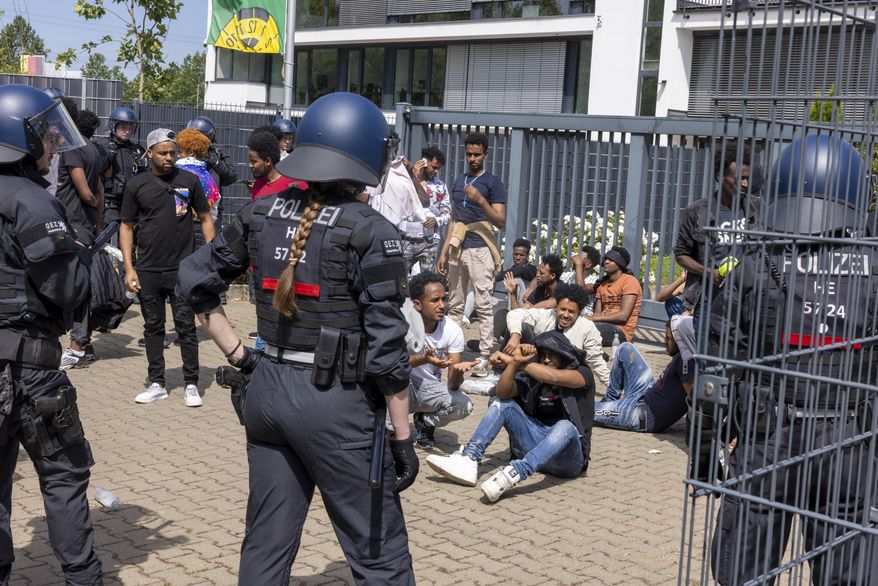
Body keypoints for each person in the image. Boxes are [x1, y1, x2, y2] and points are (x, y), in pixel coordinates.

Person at [177, 92, 418, 584]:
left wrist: (241, 355)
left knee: (265, 544)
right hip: (338, 404)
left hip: (266, 393)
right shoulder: (372, 231)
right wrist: (403, 436)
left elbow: (194, 280)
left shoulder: (259, 214)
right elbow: (389, 353)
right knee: (379, 553)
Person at [702, 135, 878, 585]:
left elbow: (719, 350)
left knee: (743, 563)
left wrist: (726, 427)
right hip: (848, 438)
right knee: (847, 559)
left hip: (768, 432)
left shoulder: (756, 261)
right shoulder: (871, 269)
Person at [0, 84, 103, 584]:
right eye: (47, 136)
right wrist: (84, 255)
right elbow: (66, 287)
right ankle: (82, 577)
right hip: (30, 372)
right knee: (64, 475)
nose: (55, 145)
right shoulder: (31, 202)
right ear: (21, 139)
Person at [426, 330, 594, 503]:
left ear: (564, 355)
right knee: (502, 403)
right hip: (535, 447)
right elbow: (502, 392)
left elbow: (554, 377)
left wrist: (515, 362)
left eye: (553, 355)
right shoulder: (533, 376)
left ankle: (512, 475)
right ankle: (469, 459)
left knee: (565, 426)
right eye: (543, 355)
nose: (546, 359)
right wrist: (514, 363)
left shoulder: (582, 372)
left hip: (567, 461)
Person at [120, 129, 215, 408]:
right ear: (150, 153)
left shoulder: (189, 181)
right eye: (163, 153)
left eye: (172, 152)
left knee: (186, 328)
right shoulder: (136, 185)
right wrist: (129, 268)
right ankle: (158, 383)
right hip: (148, 269)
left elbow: (206, 219)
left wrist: (210, 257)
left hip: (182, 269)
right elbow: (126, 226)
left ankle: (191, 384)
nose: (169, 158)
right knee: (153, 328)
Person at [437, 132, 507, 377]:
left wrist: (480, 200)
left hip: (480, 248)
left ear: (485, 154)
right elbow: (454, 220)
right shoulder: (459, 180)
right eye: (469, 154)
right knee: (454, 304)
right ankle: (453, 350)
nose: (472, 158)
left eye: (477, 154)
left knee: (483, 304)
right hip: (458, 247)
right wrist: (444, 253)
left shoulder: (492, 183)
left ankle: (486, 356)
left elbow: (500, 220)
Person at [674, 140, 760, 318]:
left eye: (747, 178)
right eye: (740, 178)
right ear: (719, 177)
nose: (745, 184)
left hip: (748, 300)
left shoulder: (759, 209)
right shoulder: (697, 212)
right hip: (709, 301)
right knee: (708, 346)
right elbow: (681, 255)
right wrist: (708, 273)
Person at [57, 109, 106, 370]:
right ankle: (83, 346)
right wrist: (96, 221)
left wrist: (90, 204)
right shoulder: (94, 150)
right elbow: (99, 191)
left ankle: (77, 346)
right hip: (85, 226)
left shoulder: (72, 150)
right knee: (80, 284)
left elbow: (87, 192)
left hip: (71, 226)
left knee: (77, 287)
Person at [406, 272, 473, 449]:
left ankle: (425, 421)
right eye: (435, 300)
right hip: (400, 386)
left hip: (429, 388)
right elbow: (391, 364)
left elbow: (452, 385)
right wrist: (423, 359)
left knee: (463, 404)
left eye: (444, 299)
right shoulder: (403, 325)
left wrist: (458, 373)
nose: (442, 305)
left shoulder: (452, 329)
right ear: (418, 304)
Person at [593, 317, 693, 432]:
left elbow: (695, 400)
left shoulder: (687, 362)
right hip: (643, 394)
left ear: (680, 339)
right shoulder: (683, 356)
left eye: (669, 339)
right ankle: (609, 402)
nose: (665, 342)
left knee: (584, 409)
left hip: (637, 414)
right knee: (625, 348)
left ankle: (610, 411)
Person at [503, 283, 611, 388]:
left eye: (571, 312)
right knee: (521, 327)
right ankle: (500, 373)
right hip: (539, 366)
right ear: (556, 307)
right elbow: (515, 313)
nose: (566, 315)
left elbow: (596, 360)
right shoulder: (547, 315)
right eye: (563, 309)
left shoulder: (587, 327)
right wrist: (515, 335)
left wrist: (611, 386)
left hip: (564, 375)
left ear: (579, 312)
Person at [96, 106, 145, 229]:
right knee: (106, 236)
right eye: (124, 127)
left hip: (130, 202)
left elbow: (146, 179)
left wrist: (143, 168)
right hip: (109, 202)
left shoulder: (137, 150)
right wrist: (108, 159)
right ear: (114, 126)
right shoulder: (102, 146)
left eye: (130, 127)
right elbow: (94, 171)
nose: (127, 131)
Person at [175, 128, 221, 248]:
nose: (177, 155)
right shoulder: (208, 176)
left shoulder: (179, 172)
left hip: (181, 229)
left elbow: (179, 208)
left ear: (191, 152)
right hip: (204, 229)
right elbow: (215, 206)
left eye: (180, 151)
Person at [407, 146, 451, 271]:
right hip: (407, 238)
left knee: (426, 278)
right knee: (402, 276)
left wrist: (436, 220)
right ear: (424, 163)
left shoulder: (440, 187)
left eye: (438, 168)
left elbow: (447, 214)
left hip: (430, 241)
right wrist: (413, 176)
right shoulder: (408, 181)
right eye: (434, 167)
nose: (436, 171)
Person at [589, 246, 642, 345]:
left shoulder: (629, 281)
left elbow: (623, 316)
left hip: (621, 332)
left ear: (619, 263)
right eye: (605, 259)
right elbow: (597, 314)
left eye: (610, 260)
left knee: (583, 330)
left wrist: (593, 319)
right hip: (602, 326)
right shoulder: (602, 285)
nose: (606, 262)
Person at [247, 130, 306, 200]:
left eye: (254, 161)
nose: (250, 165)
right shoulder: (258, 184)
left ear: (268, 161)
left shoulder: (294, 185)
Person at [567, 244, 601, 315]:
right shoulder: (567, 276)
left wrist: (578, 265)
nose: (575, 258)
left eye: (579, 258)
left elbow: (579, 289)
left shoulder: (595, 282)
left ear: (588, 264)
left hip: (584, 319)